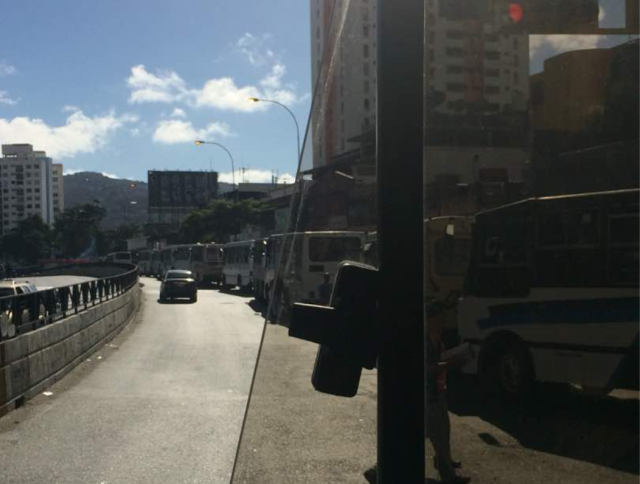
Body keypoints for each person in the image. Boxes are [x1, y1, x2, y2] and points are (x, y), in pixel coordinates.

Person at [426, 301, 469, 484]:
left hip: (437, 392)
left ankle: (445, 464)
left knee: (442, 432)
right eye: (438, 318)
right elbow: (426, 368)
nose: (442, 322)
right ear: (430, 319)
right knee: (439, 434)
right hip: (428, 395)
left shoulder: (436, 337)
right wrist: (449, 363)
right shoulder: (425, 339)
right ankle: (448, 475)